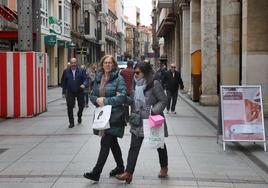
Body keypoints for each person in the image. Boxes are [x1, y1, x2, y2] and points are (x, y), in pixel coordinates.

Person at [116, 62, 168, 184]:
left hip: (152, 120)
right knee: (134, 147)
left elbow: (163, 100)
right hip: (138, 121)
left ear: (146, 72)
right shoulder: (135, 85)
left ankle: (164, 167)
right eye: (135, 72)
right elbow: (133, 102)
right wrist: (123, 98)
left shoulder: (155, 84)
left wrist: (153, 111)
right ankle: (128, 173)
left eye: (138, 72)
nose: (136, 74)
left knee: (159, 145)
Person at [83, 55, 127, 182]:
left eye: (110, 63)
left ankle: (96, 173)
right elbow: (92, 95)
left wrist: (106, 100)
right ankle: (120, 167)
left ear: (113, 65)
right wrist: (96, 99)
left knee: (105, 142)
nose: (107, 65)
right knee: (112, 143)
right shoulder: (98, 78)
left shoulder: (119, 79)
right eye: (105, 62)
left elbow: (122, 97)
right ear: (102, 64)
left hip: (114, 116)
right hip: (102, 116)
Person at [61, 58, 89, 128]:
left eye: (74, 62)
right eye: (72, 63)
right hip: (70, 91)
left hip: (80, 90)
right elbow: (63, 82)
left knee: (81, 106)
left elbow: (86, 79)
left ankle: (79, 115)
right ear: (70, 63)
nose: (73, 64)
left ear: (76, 63)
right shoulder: (66, 71)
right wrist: (64, 91)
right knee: (70, 106)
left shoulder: (81, 71)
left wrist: (84, 84)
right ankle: (71, 122)